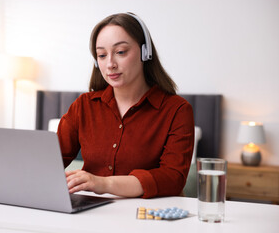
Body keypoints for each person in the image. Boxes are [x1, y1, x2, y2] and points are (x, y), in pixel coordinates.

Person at [57, 12, 194, 199]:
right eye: (102, 55)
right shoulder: (84, 105)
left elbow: (173, 177)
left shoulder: (177, 110)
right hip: (90, 214)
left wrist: (103, 183)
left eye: (120, 52)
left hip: (147, 217)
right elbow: (50, 161)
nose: (110, 64)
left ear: (145, 53)